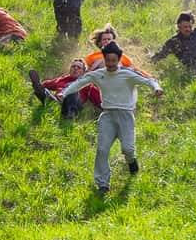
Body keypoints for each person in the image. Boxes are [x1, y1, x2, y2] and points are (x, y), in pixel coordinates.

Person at [59, 41, 163, 193]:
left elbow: (149, 80)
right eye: (108, 60)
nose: (110, 64)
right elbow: (80, 83)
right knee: (102, 149)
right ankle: (103, 183)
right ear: (104, 59)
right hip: (107, 115)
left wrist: (156, 88)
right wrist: (64, 93)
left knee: (127, 148)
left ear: (119, 60)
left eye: (114, 61)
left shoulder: (128, 74)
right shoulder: (99, 74)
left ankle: (131, 160)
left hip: (126, 116)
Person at [29, 58, 102, 119]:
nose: (75, 68)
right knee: (44, 91)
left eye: (78, 67)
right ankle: (40, 91)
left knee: (73, 88)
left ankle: (70, 114)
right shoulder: (63, 79)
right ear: (70, 70)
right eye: (73, 66)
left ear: (83, 72)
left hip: (72, 105)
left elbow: (100, 100)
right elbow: (47, 84)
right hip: (57, 102)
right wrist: (40, 86)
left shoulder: (87, 85)